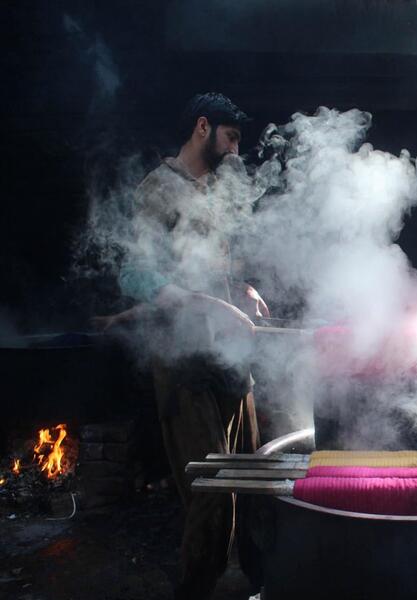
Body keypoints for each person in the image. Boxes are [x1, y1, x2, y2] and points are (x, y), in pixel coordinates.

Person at [94, 92, 267, 599]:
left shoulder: (215, 190)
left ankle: (260, 585)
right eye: (231, 137)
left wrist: (243, 290)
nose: (236, 151)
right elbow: (136, 271)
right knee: (211, 494)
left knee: (254, 480)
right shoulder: (158, 189)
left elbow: (221, 270)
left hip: (230, 360)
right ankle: (195, 591)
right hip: (183, 361)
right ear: (202, 127)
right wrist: (200, 303)